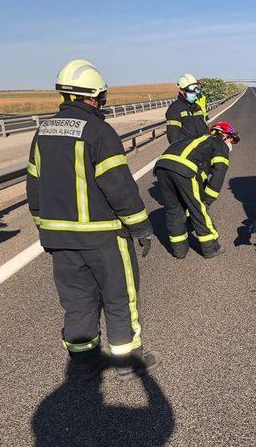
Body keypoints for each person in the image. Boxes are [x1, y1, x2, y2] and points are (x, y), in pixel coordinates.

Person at [26, 60, 157, 381]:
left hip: (60, 239)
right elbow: (120, 187)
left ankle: (83, 365)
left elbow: (34, 186)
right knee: (118, 298)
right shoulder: (99, 131)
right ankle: (126, 362)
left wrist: (45, 229)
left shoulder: (43, 131)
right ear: (94, 96)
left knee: (77, 302)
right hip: (104, 237)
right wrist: (140, 226)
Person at [153, 121, 239, 259]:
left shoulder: (196, 139)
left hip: (162, 167)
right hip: (184, 169)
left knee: (174, 210)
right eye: (231, 139)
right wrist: (208, 200)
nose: (231, 143)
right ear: (223, 135)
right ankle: (211, 248)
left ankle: (179, 251)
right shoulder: (219, 144)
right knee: (198, 208)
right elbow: (219, 174)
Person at [165, 73, 208, 144]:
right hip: (187, 152)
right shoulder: (175, 109)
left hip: (202, 150)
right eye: (191, 92)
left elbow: (204, 129)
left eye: (195, 91)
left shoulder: (197, 107)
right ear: (182, 91)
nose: (194, 94)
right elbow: (173, 138)